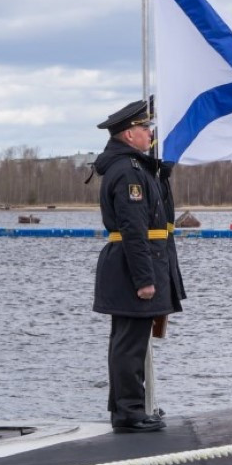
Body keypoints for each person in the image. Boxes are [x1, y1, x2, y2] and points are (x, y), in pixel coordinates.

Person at [92, 98, 181, 432]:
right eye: (146, 129)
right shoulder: (128, 172)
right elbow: (133, 229)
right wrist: (144, 279)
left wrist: (160, 176)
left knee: (129, 341)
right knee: (129, 343)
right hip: (133, 267)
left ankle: (127, 406)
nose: (150, 134)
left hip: (137, 263)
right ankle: (129, 412)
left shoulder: (135, 168)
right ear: (129, 135)